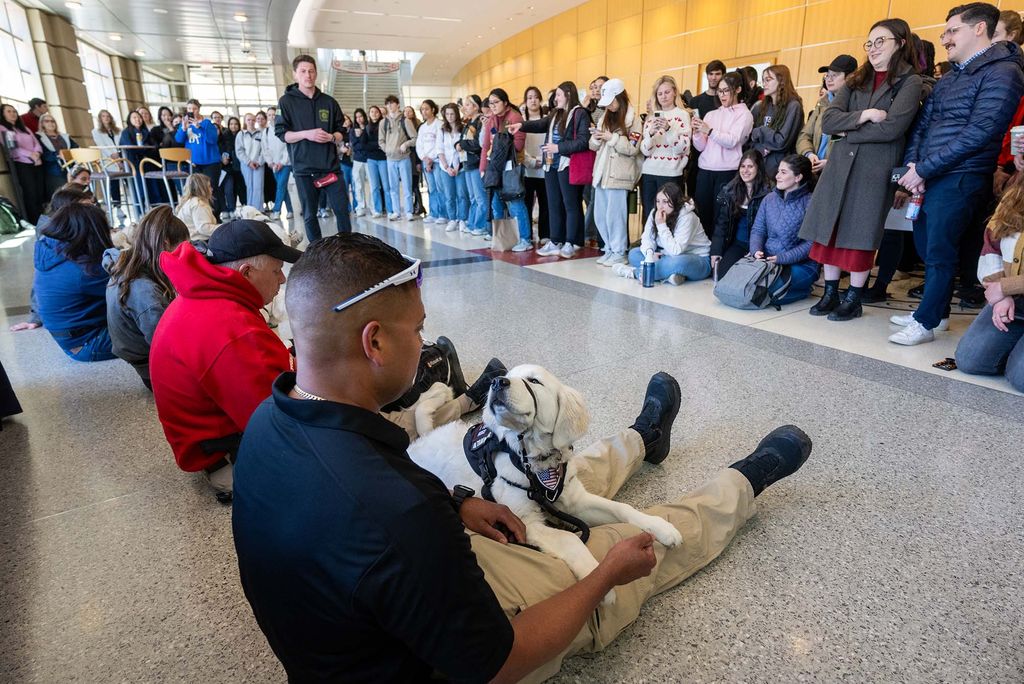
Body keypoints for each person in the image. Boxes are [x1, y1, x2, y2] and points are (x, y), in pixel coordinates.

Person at [231, 231, 814, 683]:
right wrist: (604, 578)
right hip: (440, 657)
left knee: (558, 478)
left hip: (380, 617)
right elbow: (495, 664)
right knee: (611, 545)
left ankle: (642, 437)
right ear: (375, 342)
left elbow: (378, 506)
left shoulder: (271, 421)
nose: (427, 344)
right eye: (418, 330)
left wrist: (458, 502)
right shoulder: (396, 516)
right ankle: (742, 485)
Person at [894, 2, 1024, 346]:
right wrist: (913, 167)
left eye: (953, 30)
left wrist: (924, 167)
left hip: (962, 175)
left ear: (979, 28)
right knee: (926, 244)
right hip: (930, 174)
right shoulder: (951, 76)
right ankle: (936, 313)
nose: (945, 38)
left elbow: (981, 131)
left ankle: (925, 322)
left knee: (939, 249)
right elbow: (923, 124)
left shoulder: (1004, 72)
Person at [149, 220, 301, 497]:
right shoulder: (231, 328)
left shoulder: (203, 295)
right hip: (227, 453)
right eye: (277, 270)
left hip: (207, 436)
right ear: (246, 273)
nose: (282, 279)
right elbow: (279, 418)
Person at [800, 20, 924, 323]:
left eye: (880, 41)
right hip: (841, 165)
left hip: (874, 168)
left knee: (860, 233)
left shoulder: (910, 82)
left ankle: (853, 298)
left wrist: (849, 131)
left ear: (901, 42)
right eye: (869, 43)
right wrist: (866, 115)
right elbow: (829, 122)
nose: (873, 48)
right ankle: (831, 292)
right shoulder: (857, 80)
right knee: (831, 228)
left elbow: (894, 128)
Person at [104, 206, 190, 388]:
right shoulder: (145, 293)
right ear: (166, 244)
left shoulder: (127, 265)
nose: (185, 255)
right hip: (155, 371)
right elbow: (168, 348)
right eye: (182, 248)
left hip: (144, 358)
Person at [955, 168, 1024, 390]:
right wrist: (1000, 296)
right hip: (1014, 302)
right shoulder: (1016, 191)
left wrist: (1005, 287)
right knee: (971, 360)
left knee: (1020, 378)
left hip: (1011, 290)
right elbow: (991, 245)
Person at [276, 55, 352, 242]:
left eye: (311, 71)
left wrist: (333, 137)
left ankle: (348, 248)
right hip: (304, 170)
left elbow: (342, 130)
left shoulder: (329, 101)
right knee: (310, 215)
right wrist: (306, 134)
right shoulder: (286, 102)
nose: (307, 75)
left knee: (342, 210)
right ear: (295, 75)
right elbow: (282, 134)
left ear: (316, 73)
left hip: (330, 168)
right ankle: (316, 252)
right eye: (303, 71)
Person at [510, 82, 592, 257]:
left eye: (559, 95)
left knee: (570, 204)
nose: (556, 99)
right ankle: (555, 240)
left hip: (566, 164)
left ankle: (571, 242)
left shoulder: (580, 114)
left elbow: (583, 141)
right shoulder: (556, 114)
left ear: (569, 95)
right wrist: (521, 126)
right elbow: (541, 124)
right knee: (553, 203)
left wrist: (558, 148)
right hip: (550, 165)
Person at [33, 202, 116, 362]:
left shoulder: (50, 252)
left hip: (72, 340)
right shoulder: (84, 270)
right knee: (164, 329)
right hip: (90, 343)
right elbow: (129, 285)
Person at [692, 72, 755, 237]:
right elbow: (700, 147)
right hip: (705, 170)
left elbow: (732, 141)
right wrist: (697, 132)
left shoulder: (744, 114)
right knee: (702, 214)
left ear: (738, 89)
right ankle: (703, 254)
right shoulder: (711, 114)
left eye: (726, 90)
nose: (722, 95)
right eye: (720, 91)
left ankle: (717, 255)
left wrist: (710, 131)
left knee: (722, 217)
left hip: (727, 171)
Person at [749, 154, 818, 304]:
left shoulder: (811, 202)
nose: (777, 176)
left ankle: (804, 290)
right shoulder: (769, 199)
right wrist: (756, 250)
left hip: (801, 265)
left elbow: (811, 243)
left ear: (798, 177)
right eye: (778, 171)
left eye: (783, 172)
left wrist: (783, 258)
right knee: (744, 285)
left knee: (760, 294)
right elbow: (758, 230)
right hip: (767, 261)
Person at [614, 181, 712, 284]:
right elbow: (647, 238)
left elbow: (676, 251)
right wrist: (649, 254)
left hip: (697, 259)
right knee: (634, 254)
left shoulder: (688, 217)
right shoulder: (654, 212)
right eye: (658, 201)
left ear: (675, 201)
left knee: (677, 263)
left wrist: (661, 225)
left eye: (665, 202)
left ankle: (635, 273)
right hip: (667, 255)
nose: (660, 206)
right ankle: (671, 276)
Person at [590, 78, 642, 266]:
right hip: (602, 173)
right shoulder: (604, 117)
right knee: (600, 214)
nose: (610, 106)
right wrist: (596, 138)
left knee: (616, 215)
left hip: (620, 174)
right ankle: (610, 249)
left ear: (620, 97)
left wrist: (612, 138)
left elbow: (633, 149)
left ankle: (619, 250)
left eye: (612, 101)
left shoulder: (634, 120)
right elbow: (593, 146)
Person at [480, 88, 533, 251]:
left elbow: (518, 145)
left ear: (505, 102)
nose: (493, 106)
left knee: (515, 201)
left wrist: (502, 141)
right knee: (496, 204)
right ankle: (501, 238)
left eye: (496, 102)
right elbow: (486, 145)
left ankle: (525, 239)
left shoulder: (515, 117)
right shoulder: (491, 120)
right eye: (491, 103)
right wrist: (483, 168)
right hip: (494, 167)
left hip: (511, 167)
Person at [639, 75, 691, 225]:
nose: (663, 96)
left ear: (675, 92)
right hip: (649, 172)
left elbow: (682, 148)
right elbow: (645, 151)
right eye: (660, 93)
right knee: (649, 213)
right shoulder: (650, 117)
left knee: (670, 214)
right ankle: (648, 245)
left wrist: (668, 129)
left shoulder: (682, 115)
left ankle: (667, 247)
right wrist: (650, 135)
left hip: (671, 172)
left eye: (667, 92)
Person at [711, 150, 772, 278]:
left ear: (758, 168)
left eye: (750, 166)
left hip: (761, 245)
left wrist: (757, 249)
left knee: (752, 278)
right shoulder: (730, 190)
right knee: (723, 274)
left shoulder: (769, 192)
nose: (745, 170)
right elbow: (722, 224)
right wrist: (716, 250)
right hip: (738, 243)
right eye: (742, 166)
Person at [797, 55, 859, 177]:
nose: (829, 80)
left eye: (834, 75)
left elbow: (855, 145)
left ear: (850, 77)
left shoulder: (856, 105)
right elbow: (804, 135)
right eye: (827, 75)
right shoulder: (822, 103)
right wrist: (809, 154)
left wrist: (831, 162)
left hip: (837, 173)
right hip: (813, 171)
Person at [749, 65, 803, 176]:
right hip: (759, 165)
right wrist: (762, 147)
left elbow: (781, 141)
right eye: (763, 80)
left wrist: (762, 131)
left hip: (779, 170)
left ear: (781, 81)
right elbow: (751, 137)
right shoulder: (760, 106)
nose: (764, 84)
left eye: (768, 80)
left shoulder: (793, 106)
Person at [174, 99, 222, 214]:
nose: (192, 111)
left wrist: (199, 126)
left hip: (210, 162)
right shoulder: (184, 124)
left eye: (194, 109)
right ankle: (200, 214)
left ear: (199, 109)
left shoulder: (207, 123)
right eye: (189, 109)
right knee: (196, 191)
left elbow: (212, 140)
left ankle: (215, 214)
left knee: (212, 189)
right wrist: (183, 128)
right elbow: (178, 140)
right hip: (194, 163)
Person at [1, 103, 45, 225]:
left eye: (14, 111)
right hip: (21, 164)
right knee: (30, 193)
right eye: (9, 111)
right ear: (3, 114)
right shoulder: (4, 128)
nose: (13, 113)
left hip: (36, 162)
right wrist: (30, 155)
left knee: (39, 193)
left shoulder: (25, 129)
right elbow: (13, 148)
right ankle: (35, 222)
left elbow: (36, 143)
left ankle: (42, 219)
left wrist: (36, 154)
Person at [379, 95, 418, 221]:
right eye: (388, 104)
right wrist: (387, 150)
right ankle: (396, 211)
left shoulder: (405, 121)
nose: (390, 106)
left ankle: (409, 211)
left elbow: (415, 138)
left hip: (404, 158)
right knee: (393, 187)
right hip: (390, 159)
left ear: (398, 105)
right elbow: (381, 141)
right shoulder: (383, 122)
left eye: (392, 103)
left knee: (407, 186)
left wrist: (405, 144)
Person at [521, 86, 550, 243]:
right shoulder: (521, 121)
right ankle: (527, 235)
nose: (533, 100)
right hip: (526, 168)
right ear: (525, 101)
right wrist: (530, 160)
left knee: (545, 202)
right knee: (526, 204)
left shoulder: (547, 119)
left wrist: (542, 158)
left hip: (544, 167)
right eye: (530, 97)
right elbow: (519, 146)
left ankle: (545, 234)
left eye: (536, 97)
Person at [436, 102, 469, 233]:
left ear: (456, 114)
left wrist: (457, 167)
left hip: (460, 167)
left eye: (452, 114)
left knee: (462, 194)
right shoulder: (442, 130)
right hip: (445, 167)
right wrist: (446, 166)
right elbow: (439, 149)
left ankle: (462, 219)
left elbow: (464, 149)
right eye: (447, 114)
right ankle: (452, 219)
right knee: (449, 195)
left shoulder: (464, 128)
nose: (449, 116)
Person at [458, 95, 488, 235]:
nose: (465, 108)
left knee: (480, 197)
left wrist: (462, 144)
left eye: (468, 105)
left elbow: (478, 144)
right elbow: (461, 140)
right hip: (467, 163)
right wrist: (458, 144)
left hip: (476, 163)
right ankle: (472, 223)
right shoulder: (468, 123)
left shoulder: (480, 122)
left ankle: (480, 225)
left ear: (476, 107)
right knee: (472, 197)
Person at [35, 113, 79, 201]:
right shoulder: (39, 137)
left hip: (71, 168)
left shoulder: (64, 136)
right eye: (47, 121)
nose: (50, 123)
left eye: (52, 121)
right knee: (61, 196)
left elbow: (76, 147)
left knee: (75, 194)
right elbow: (43, 153)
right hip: (54, 171)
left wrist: (68, 154)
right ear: (42, 124)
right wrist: (57, 155)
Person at [415, 100, 446, 225]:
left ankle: (443, 214)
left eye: (426, 109)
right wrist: (424, 158)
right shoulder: (422, 127)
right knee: (431, 188)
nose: (424, 111)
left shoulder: (440, 124)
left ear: (433, 109)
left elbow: (439, 143)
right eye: (422, 109)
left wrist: (431, 159)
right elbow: (419, 145)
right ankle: (433, 213)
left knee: (440, 188)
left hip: (437, 161)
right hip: (426, 161)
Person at [91, 109, 125, 220]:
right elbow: (101, 146)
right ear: (100, 119)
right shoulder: (96, 132)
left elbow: (122, 144)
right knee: (113, 185)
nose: (106, 118)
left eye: (107, 116)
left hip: (123, 158)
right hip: (108, 161)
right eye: (103, 116)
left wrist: (120, 158)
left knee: (129, 180)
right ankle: (118, 207)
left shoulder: (118, 130)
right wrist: (114, 157)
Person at [262, 106, 294, 220]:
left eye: (274, 114)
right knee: (282, 188)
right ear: (267, 117)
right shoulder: (265, 132)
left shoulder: (284, 128)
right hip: (274, 165)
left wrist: (282, 162)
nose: (272, 117)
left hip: (285, 163)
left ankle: (276, 210)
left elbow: (287, 147)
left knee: (280, 186)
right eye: (269, 115)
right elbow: (265, 149)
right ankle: (290, 210)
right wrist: (271, 163)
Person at [364, 105, 392, 218]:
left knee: (386, 186)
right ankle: (377, 210)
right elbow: (364, 145)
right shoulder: (367, 128)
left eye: (376, 112)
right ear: (369, 114)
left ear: (380, 114)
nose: (374, 114)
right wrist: (378, 145)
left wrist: (376, 145)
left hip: (383, 159)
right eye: (372, 112)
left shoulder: (384, 126)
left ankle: (390, 210)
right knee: (374, 186)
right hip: (371, 160)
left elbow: (386, 142)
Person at [175, 172, 219, 240]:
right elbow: (204, 228)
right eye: (209, 186)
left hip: (189, 240)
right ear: (202, 189)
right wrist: (224, 228)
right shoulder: (198, 204)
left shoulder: (190, 202)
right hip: (197, 242)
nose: (212, 189)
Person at [236, 113, 265, 210]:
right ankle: (250, 210)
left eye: (253, 120)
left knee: (258, 187)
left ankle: (259, 210)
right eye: (248, 120)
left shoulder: (260, 134)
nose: (251, 122)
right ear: (245, 121)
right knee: (250, 186)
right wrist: (248, 162)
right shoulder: (241, 134)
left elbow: (264, 150)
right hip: (246, 164)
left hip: (258, 164)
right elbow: (239, 150)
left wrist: (259, 162)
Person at [219, 117, 246, 218]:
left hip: (240, 166)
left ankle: (245, 206)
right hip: (228, 167)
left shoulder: (242, 135)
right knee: (231, 189)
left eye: (235, 124)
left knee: (242, 187)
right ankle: (232, 209)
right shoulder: (225, 136)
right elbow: (222, 149)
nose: (233, 126)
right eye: (231, 124)